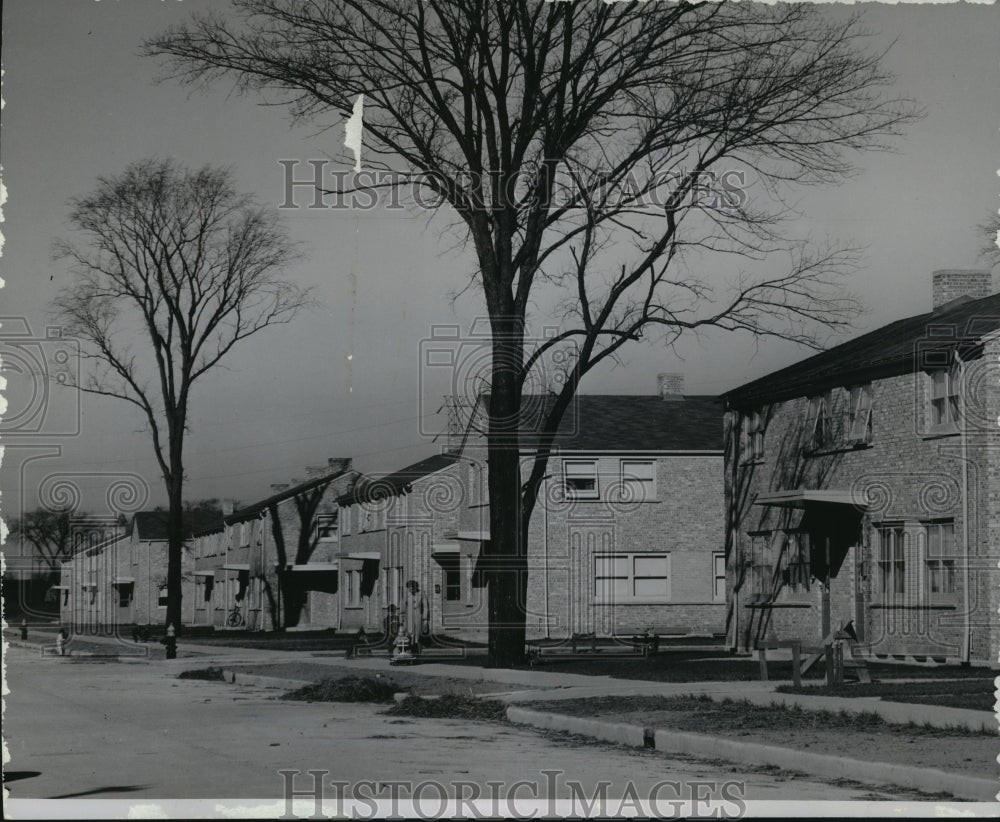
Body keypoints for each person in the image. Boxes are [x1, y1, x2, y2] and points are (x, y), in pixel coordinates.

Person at [401, 580, 429, 654]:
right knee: (409, 634)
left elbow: (425, 606)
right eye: (409, 589)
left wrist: (425, 617)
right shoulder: (407, 594)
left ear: (415, 587)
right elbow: (403, 606)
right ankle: (409, 653)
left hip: (418, 615)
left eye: (412, 588)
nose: (410, 590)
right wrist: (402, 617)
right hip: (409, 616)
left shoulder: (421, 593)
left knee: (418, 635)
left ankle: (418, 654)